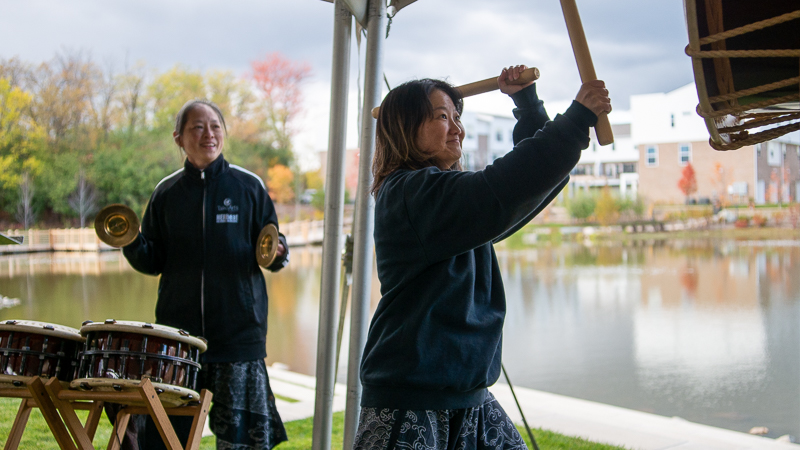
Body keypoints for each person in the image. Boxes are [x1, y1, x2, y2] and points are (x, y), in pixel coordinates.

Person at [354, 65, 611, 449]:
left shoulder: (449, 202)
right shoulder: (408, 194)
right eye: (442, 117)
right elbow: (502, 190)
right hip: (410, 401)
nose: (457, 127)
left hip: (468, 397)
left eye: (457, 117)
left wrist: (526, 104)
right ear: (406, 127)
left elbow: (523, 191)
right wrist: (576, 120)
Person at [119, 99, 290, 450]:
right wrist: (131, 241)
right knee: (167, 440)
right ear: (178, 137)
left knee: (241, 444)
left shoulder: (249, 187)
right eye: (197, 127)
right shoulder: (166, 193)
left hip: (238, 340)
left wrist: (279, 252)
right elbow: (152, 261)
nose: (208, 134)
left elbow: (272, 246)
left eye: (215, 126)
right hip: (178, 344)